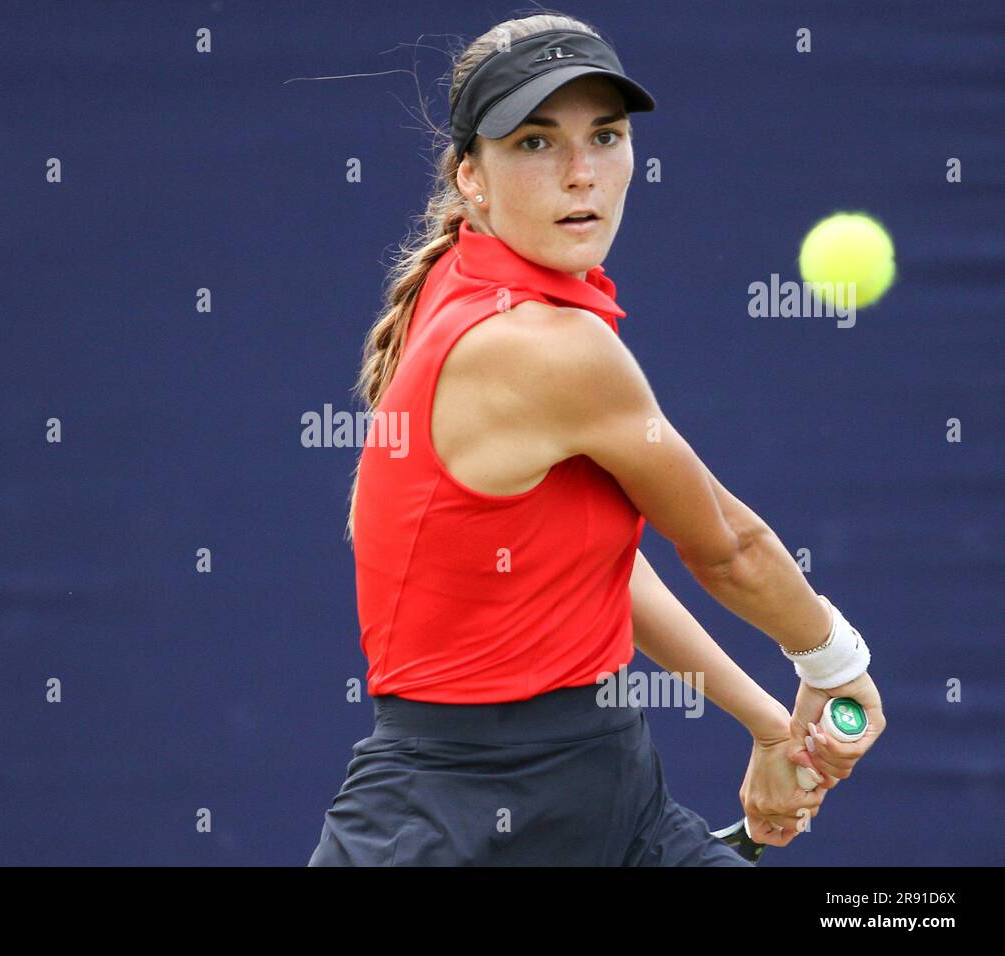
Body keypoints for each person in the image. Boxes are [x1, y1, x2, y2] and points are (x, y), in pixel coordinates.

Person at [308, 13, 885, 866]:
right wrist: (835, 662)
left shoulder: (464, 276)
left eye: (605, 136)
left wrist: (768, 725)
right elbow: (728, 547)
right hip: (444, 824)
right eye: (536, 143)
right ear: (472, 175)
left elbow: (595, 562)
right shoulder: (543, 347)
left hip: (614, 797)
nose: (582, 174)